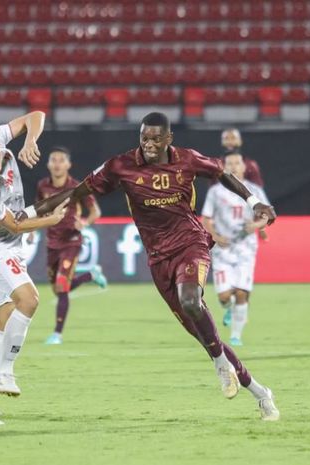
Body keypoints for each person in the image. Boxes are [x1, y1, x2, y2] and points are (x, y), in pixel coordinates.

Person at [23, 112, 280, 421]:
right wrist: (27, 212)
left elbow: (222, 172)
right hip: (158, 258)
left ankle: (219, 363)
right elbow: (75, 194)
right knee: (203, 333)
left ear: (168, 139)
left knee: (191, 300)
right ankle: (261, 393)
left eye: (156, 138)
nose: (148, 144)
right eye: (144, 137)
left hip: (191, 243)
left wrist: (254, 203)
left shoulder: (187, 159)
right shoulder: (121, 165)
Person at [0, 112, 69, 425]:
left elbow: (36, 115)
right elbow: (14, 225)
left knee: (2, 322)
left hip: (8, 248)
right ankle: (5, 371)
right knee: (30, 300)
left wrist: (31, 140)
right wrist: (51, 221)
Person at [28, 147, 107, 345]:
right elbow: (38, 210)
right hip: (52, 243)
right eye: (53, 160)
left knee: (62, 286)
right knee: (59, 289)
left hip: (71, 241)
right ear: (48, 164)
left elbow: (95, 211)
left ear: (68, 164)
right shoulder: (42, 186)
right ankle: (91, 275)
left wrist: (84, 223)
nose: (57, 163)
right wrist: (31, 230)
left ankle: (57, 334)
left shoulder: (77, 187)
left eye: (61, 160)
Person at [201, 152, 270, 347]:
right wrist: (214, 236)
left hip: (246, 249)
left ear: (243, 167)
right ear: (223, 167)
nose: (233, 166)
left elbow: (266, 214)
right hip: (223, 250)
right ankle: (228, 308)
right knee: (224, 296)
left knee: (241, 293)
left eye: (236, 163)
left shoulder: (254, 190)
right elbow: (206, 218)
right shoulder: (216, 192)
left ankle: (236, 337)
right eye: (228, 163)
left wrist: (256, 227)